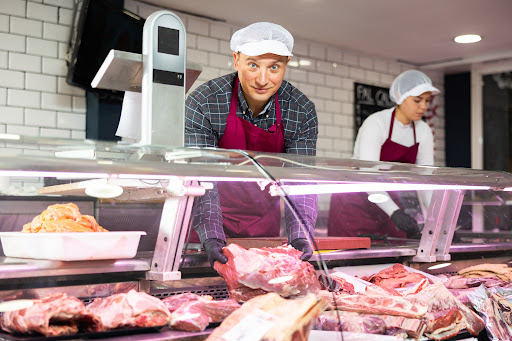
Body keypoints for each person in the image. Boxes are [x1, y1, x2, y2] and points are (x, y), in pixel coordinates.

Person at [185, 22, 319, 266]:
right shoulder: (205, 102)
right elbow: (201, 174)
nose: (262, 79)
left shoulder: (301, 110)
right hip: (207, 227)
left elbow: (300, 180)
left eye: (274, 67)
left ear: (286, 66)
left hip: (263, 229)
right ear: (237, 61)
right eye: (253, 65)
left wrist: (301, 237)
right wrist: (212, 237)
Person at [328, 70, 440, 238]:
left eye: (427, 100)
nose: (423, 106)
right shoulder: (376, 123)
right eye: (417, 100)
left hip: (386, 199)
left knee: (394, 254)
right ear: (400, 97)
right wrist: (394, 212)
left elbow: (425, 179)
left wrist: (436, 222)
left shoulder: (423, 130)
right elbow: (368, 175)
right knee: (352, 255)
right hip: (354, 201)